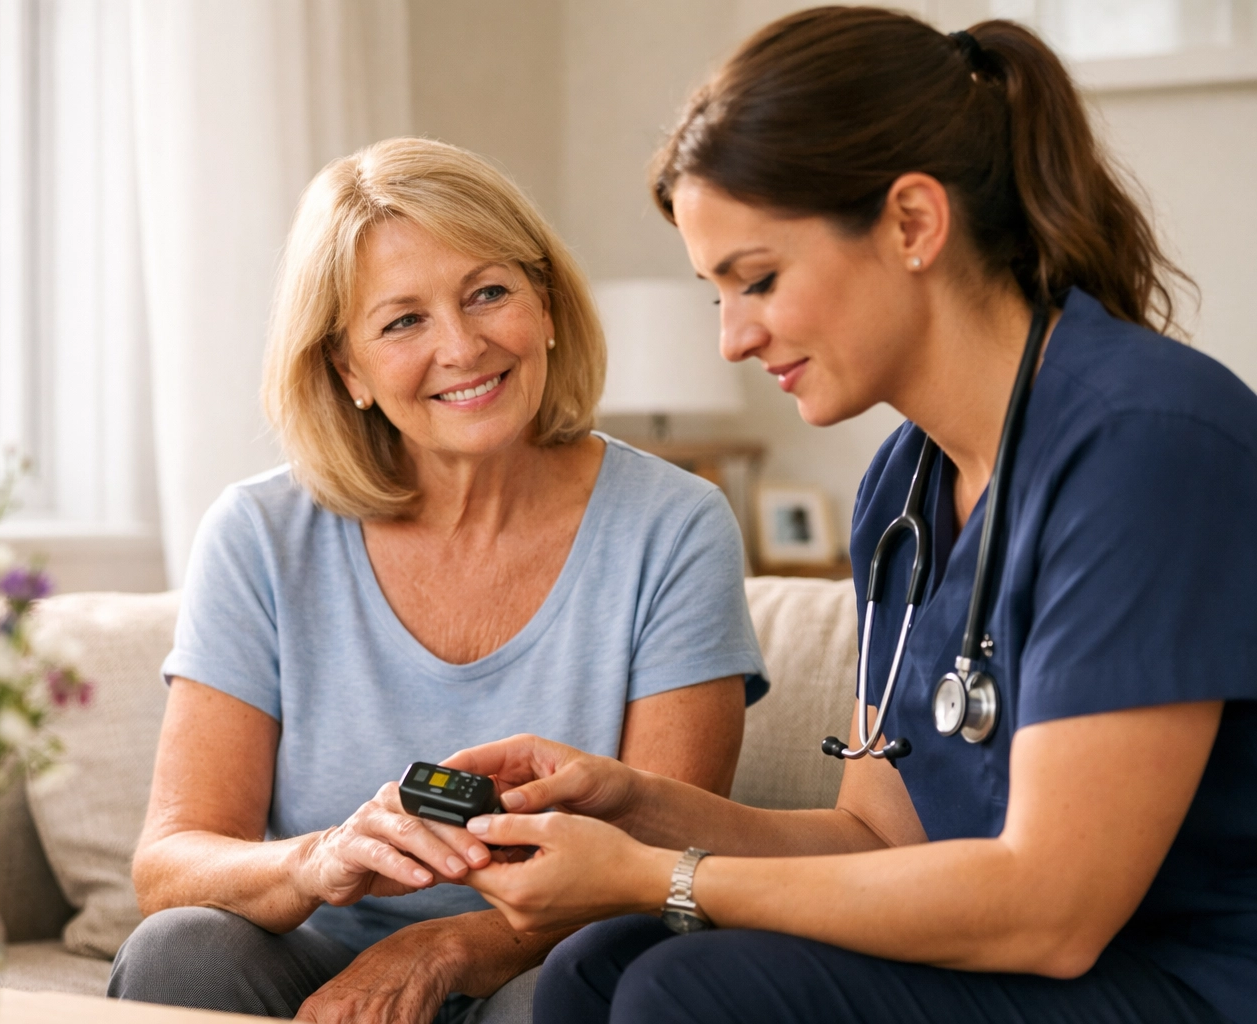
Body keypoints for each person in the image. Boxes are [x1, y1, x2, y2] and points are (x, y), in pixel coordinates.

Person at [445, 9, 1257, 1024]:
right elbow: (878, 841)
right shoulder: (903, 491)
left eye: (759, 280)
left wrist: (661, 875)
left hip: (1182, 980)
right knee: (599, 963)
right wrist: (631, 806)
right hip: (1029, 968)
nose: (734, 339)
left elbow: (1055, 908)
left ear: (913, 223)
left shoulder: (1149, 441)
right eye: (716, 298)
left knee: (682, 983)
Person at [105, 137, 769, 1024]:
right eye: (402, 321)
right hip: (317, 968)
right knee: (179, 950)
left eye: (489, 292)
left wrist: (442, 948)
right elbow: (172, 862)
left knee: (586, 991)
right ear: (350, 371)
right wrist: (316, 860)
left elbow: (660, 862)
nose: (462, 347)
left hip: (545, 962)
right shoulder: (260, 535)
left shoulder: (674, 524)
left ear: (548, 308)